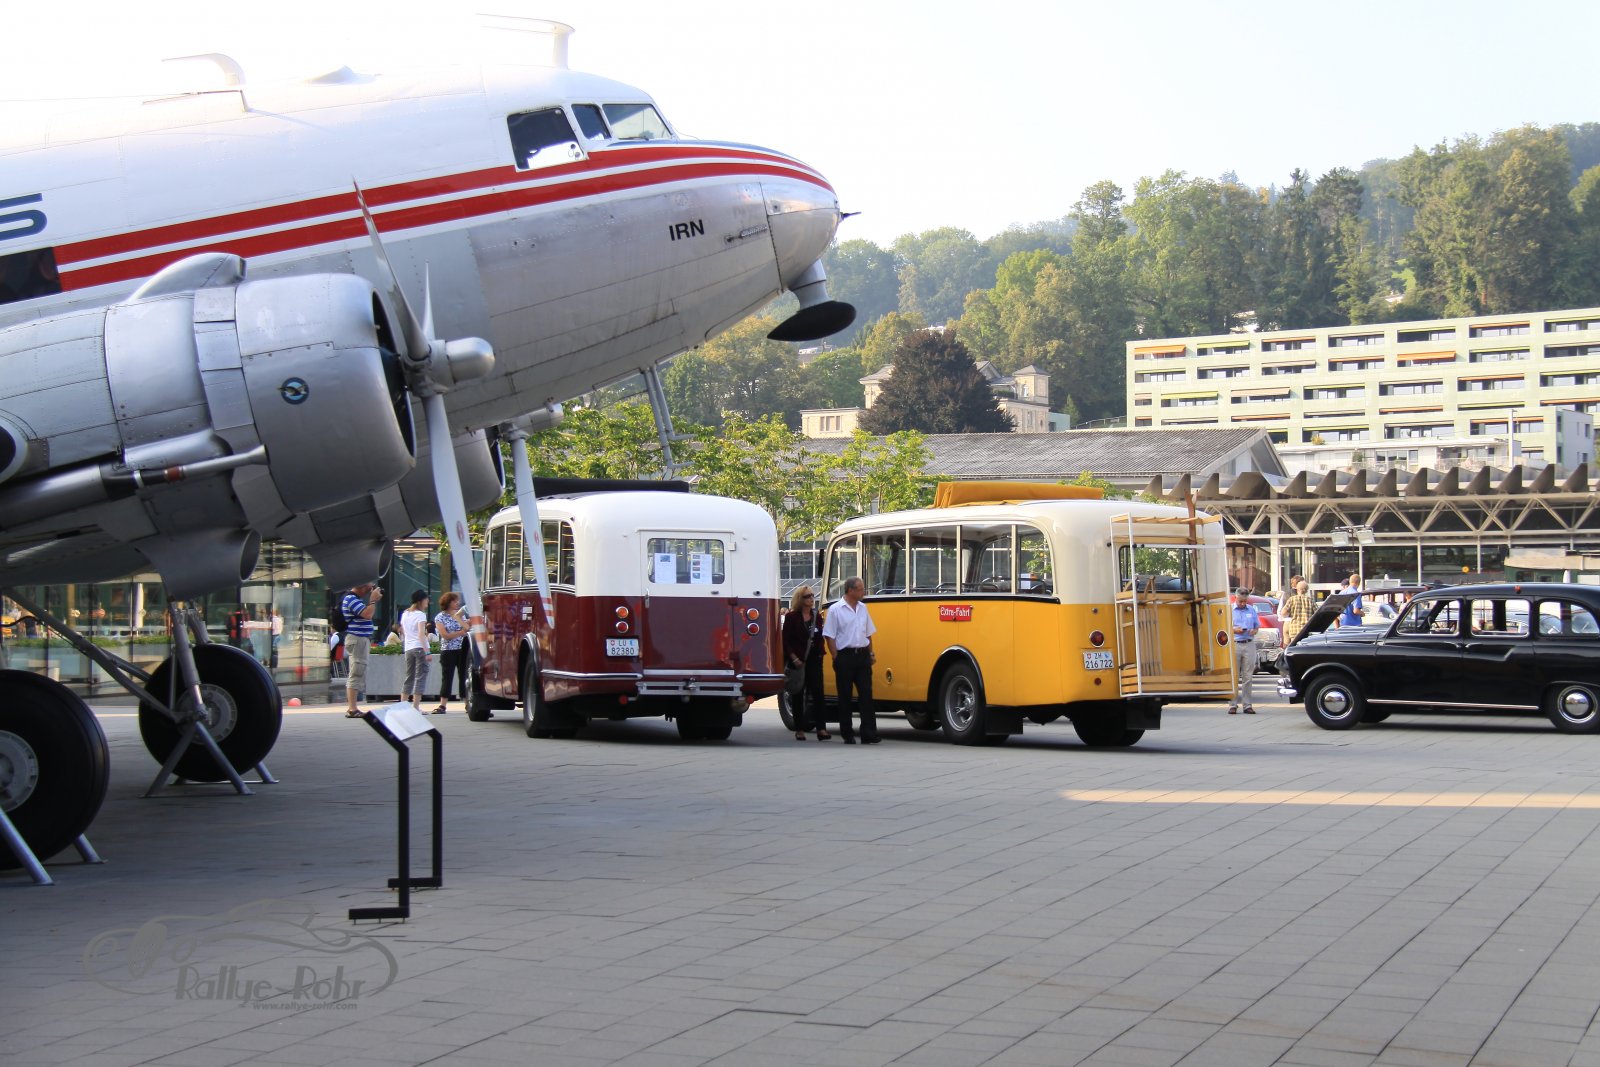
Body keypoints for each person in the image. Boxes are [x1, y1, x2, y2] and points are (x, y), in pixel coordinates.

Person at [822, 576, 878, 744]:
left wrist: (871, 653)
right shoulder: (835, 609)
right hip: (844, 656)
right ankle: (847, 733)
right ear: (850, 590)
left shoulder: (863, 608)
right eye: (860, 589)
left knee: (866, 695)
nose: (863, 592)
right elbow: (829, 636)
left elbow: (868, 633)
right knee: (845, 696)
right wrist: (836, 657)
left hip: (862, 655)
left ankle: (869, 733)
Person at [781, 585, 828, 741]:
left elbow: (820, 636)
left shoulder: (816, 616)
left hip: (815, 659)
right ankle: (799, 729)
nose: (811, 599)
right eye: (808, 596)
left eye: (812, 596)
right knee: (798, 693)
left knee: (818, 693)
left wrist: (821, 653)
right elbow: (785, 641)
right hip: (798, 660)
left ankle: (821, 729)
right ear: (800, 599)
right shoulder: (791, 617)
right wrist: (794, 658)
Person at [341, 583, 382, 718]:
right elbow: (368, 614)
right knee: (356, 672)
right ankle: (352, 708)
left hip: (360, 639)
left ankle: (353, 707)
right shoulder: (351, 599)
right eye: (369, 586)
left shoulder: (356, 599)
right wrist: (373, 600)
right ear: (361, 586)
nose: (371, 588)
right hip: (357, 639)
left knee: (358, 671)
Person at [433, 592, 468, 715]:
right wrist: (460, 633)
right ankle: (443, 705)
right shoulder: (440, 617)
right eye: (454, 601)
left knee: (464, 676)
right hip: (448, 650)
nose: (457, 603)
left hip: (462, 648)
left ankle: (467, 703)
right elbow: (445, 635)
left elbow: (467, 628)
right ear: (448, 603)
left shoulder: (460, 615)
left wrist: (462, 625)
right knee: (447, 677)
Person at [1229, 587, 1260, 714]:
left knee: (1248, 676)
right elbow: (1223, 627)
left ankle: (1247, 705)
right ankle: (1232, 704)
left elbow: (1257, 626)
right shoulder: (1229, 610)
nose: (1242, 604)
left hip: (1249, 643)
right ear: (1235, 598)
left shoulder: (1251, 610)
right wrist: (1234, 630)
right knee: (1234, 675)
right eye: (1240, 601)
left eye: (1245, 601)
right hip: (1235, 643)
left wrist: (1254, 631)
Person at [400, 590, 431, 712]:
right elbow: (421, 634)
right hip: (419, 647)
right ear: (420, 601)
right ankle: (416, 706)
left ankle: (402, 705)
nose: (428, 601)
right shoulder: (421, 615)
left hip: (408, 648)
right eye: (426, 599)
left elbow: (403, 632)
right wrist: (427, 652)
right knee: (420, 676)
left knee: (409, 676)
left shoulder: (405, 614)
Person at [1280, 579, 1314, 647]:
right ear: (1306, 590)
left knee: (1294, 649)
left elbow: (1283, 613)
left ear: (1297, 589)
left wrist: (1289, 613)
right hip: (1306, 629)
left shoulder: (1292, 599)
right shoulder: (1310, 600)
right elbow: (1317, 613)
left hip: (1294, 629)